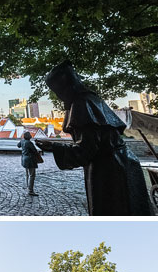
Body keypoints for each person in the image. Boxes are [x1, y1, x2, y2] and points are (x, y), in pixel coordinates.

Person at [35, 61, 151, 215]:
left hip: (109, 171)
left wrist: (53, 147)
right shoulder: (92, 99)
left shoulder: (81, 104)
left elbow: (86, 150)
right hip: (124, 162)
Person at [18, 131, 41, 196]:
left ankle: (28, 187)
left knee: (27, 174)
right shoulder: (29, 143)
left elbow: (18, 146)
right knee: (32, 175)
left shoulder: (22, 141)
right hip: (30, 160)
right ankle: (30, 190)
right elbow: (35, 151)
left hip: (24, 159)